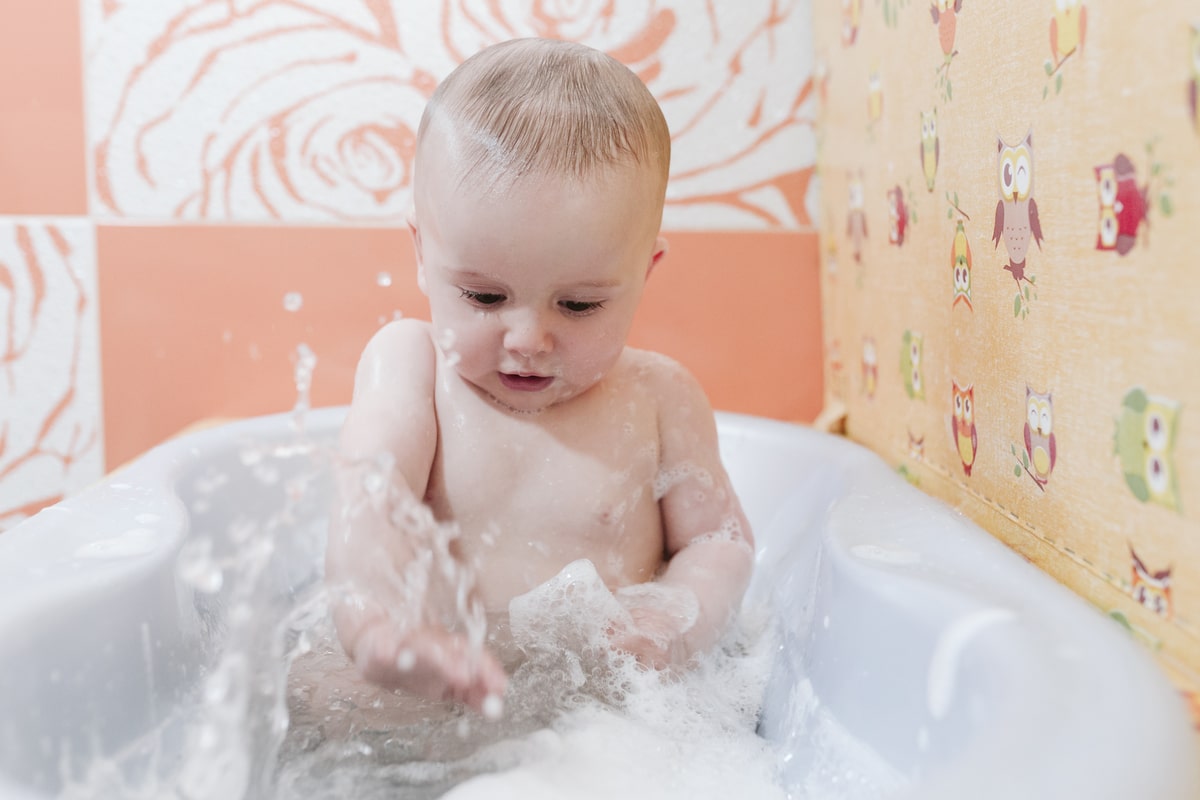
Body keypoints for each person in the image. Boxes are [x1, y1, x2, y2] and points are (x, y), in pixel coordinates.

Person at [325, 37, 754, 718]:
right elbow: (369, 497)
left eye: (579, 305)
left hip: (597, 719)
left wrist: (671, 626)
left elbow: (717, 542)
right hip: (429, 700)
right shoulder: (411, 367)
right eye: (484, 297)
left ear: (644, 272)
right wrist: (376, 626)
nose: (527, 340)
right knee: (316, 699)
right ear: (422, 255)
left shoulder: (660, 399)